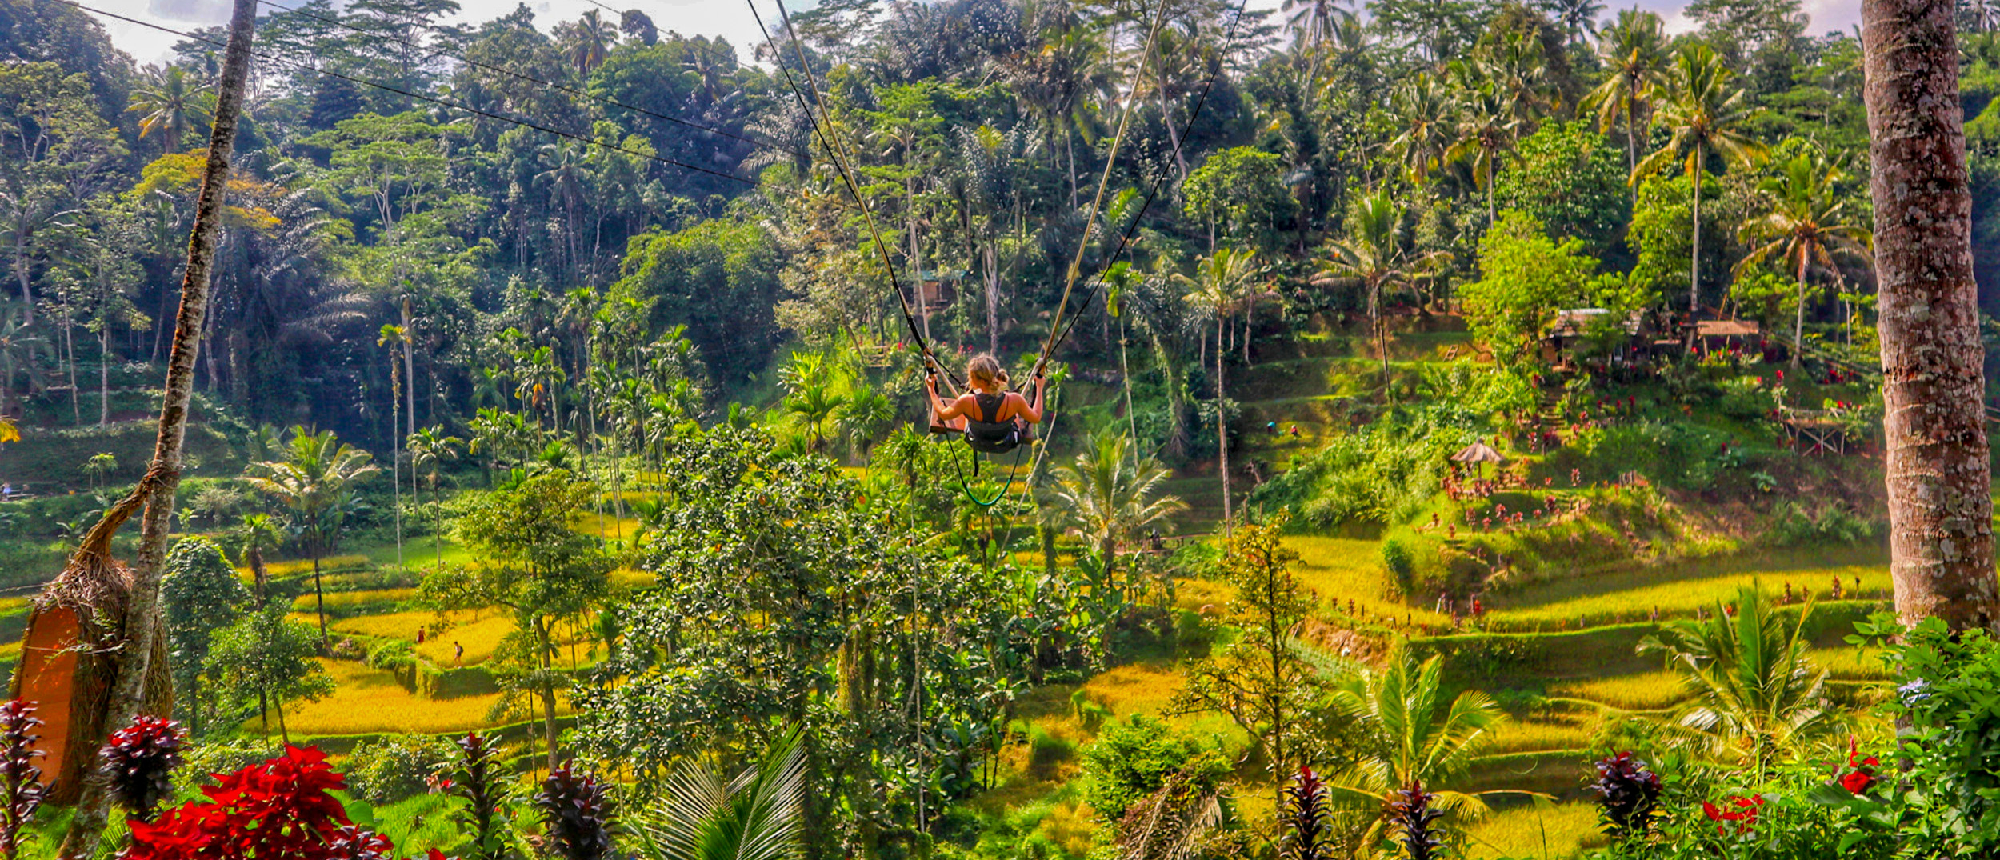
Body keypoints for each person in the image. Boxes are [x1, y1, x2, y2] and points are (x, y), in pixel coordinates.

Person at [927, 354, 1046, 454]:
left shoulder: (966, 401)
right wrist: (1039, 387)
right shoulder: (1015, 400)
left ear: (974, 379)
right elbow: (1036, 417)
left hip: (977, 441)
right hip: (1005, 442)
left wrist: (931, 390)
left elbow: (943, 413)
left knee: (969, 414)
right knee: (1013, 416)